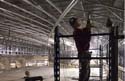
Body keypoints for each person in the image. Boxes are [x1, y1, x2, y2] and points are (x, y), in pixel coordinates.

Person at [69, 17, 92, 81]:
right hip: (83, 53)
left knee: (86, 71)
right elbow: (86, 39)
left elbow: (84, 33)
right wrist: (88, 30)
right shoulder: (77, 32)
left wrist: (87, 28)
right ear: (74, 24)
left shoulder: (77, 31)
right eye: (77, 21)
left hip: (83, 53)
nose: (79, 22)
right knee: (85, 72)